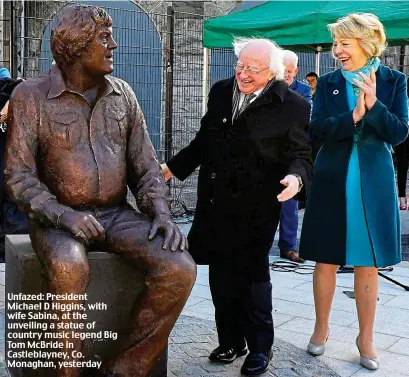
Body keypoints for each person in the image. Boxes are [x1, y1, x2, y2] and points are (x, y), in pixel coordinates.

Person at [5, 4, 196, 377]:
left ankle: (126, 368)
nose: (115, 44)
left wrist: (160, 211)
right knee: (68, 265)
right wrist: (64, 215)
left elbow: (146, 166)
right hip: (56, 218)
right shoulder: (31, 96)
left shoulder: (123, 94)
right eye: (104, 37)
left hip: (114, 214)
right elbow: (19, 177)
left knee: (179, 267)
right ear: (77, 46)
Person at [161, 37, 312, 376]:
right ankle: (231, 341)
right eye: (239, 66)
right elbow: (204, 142)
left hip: (256, 206)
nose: (243, 74)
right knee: (220, 274)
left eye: (252, 70)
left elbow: (301, 154)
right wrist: (171, 168)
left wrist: (296, 179)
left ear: (272, 73)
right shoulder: (220, 91)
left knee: (253, 277)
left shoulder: (293, 106)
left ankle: (260, 348)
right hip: (215, 202)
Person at [299, 13, 408, 371]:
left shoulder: (394, 82)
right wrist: (353, 119)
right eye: (336, 44)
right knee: (325, 258)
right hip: (333, 177)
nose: (337, 50)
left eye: (344, 43)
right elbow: (315, 132)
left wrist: (374, 107)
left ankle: (366, 337)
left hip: (373, 180)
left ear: (367, 41)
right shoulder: (328, 82)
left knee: (367, 261)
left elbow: (400, 133)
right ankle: (321, 328)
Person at [277, 50, 312, 263]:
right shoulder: (268, 88)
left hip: (292, 154)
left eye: (290, 71)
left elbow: (302, 117)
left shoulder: (304, 90)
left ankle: (288, 247)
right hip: (269, 153)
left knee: (289, 204)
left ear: (296, 71)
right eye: (283, 70)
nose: (287, 74)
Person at [394, 77, 409, 210]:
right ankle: (402, 198)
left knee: (402, 166)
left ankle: (403, 199)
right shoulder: (402, 84)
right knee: (402, 166)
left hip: (402, 131)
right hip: (403, 132)